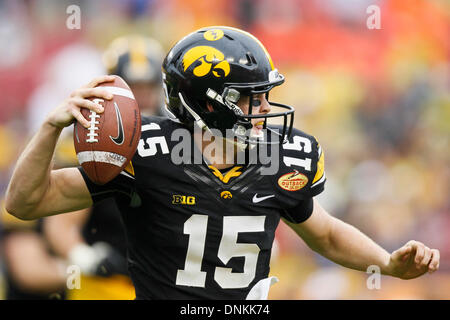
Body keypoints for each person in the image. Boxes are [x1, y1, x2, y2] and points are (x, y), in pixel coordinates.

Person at [5, 26, 440, 300]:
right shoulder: (143, 150)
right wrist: (49, 127)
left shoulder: (284, 155)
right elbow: (25, 203)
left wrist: (385, 263)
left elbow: (324, 233)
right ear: (207, 104)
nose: (266, 109)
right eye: (251, 98)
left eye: (266, 95)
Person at [43, 35, 166, 300]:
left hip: (164, 281)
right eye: (133, 86)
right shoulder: (88, 136)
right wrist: (84, 257)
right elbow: (62, 222)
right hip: (108, 283)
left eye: (147, 86)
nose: (141, 95)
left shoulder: (177, 137)